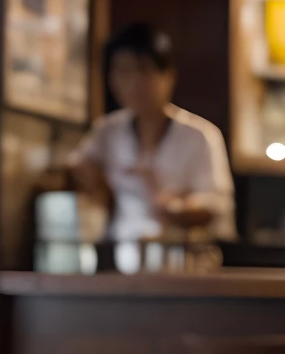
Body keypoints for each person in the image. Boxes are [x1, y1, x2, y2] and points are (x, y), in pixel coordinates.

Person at [70, 23, 236, 244]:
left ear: (168, 75)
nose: (135, 83)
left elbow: (216, 204)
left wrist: (174, 207)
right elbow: (79, 166)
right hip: (120, 253)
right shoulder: (107, 131)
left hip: (181, 256)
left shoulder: (200, 135)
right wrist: (96, 185)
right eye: (124, 71)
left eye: (144, 70)